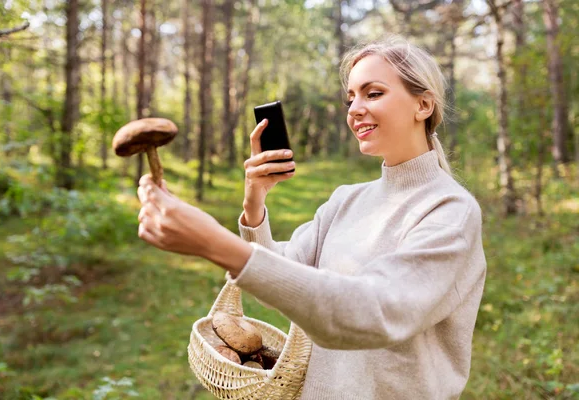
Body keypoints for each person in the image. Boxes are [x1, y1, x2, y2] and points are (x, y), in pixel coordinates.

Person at [137, 35, 487, 400]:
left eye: (373, 93)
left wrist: (214, 243)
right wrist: (254, 205)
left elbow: (372, 312)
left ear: (423, 104)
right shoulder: (347, 200)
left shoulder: (450, 211)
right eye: (350, 97)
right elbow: (283, 282)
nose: (354, 109)